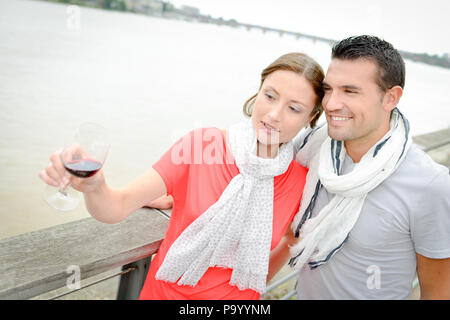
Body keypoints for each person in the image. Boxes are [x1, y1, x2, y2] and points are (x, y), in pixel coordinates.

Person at [39, 52, 325, 299]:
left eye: (293, 108)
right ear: (258, 91)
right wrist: (94, 184)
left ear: (310, 118)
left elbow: (292, 237)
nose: (274, 114)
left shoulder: (302, 180)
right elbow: (116, 207)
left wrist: (254, 284)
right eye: (270, 95)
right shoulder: (201, 146)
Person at [287, 35, 450, 299]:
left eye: (349, 91)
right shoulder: (310, 148)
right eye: (328, 89)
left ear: (390, 98)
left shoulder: (430, 185)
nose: (330, 104)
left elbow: (438, 292)